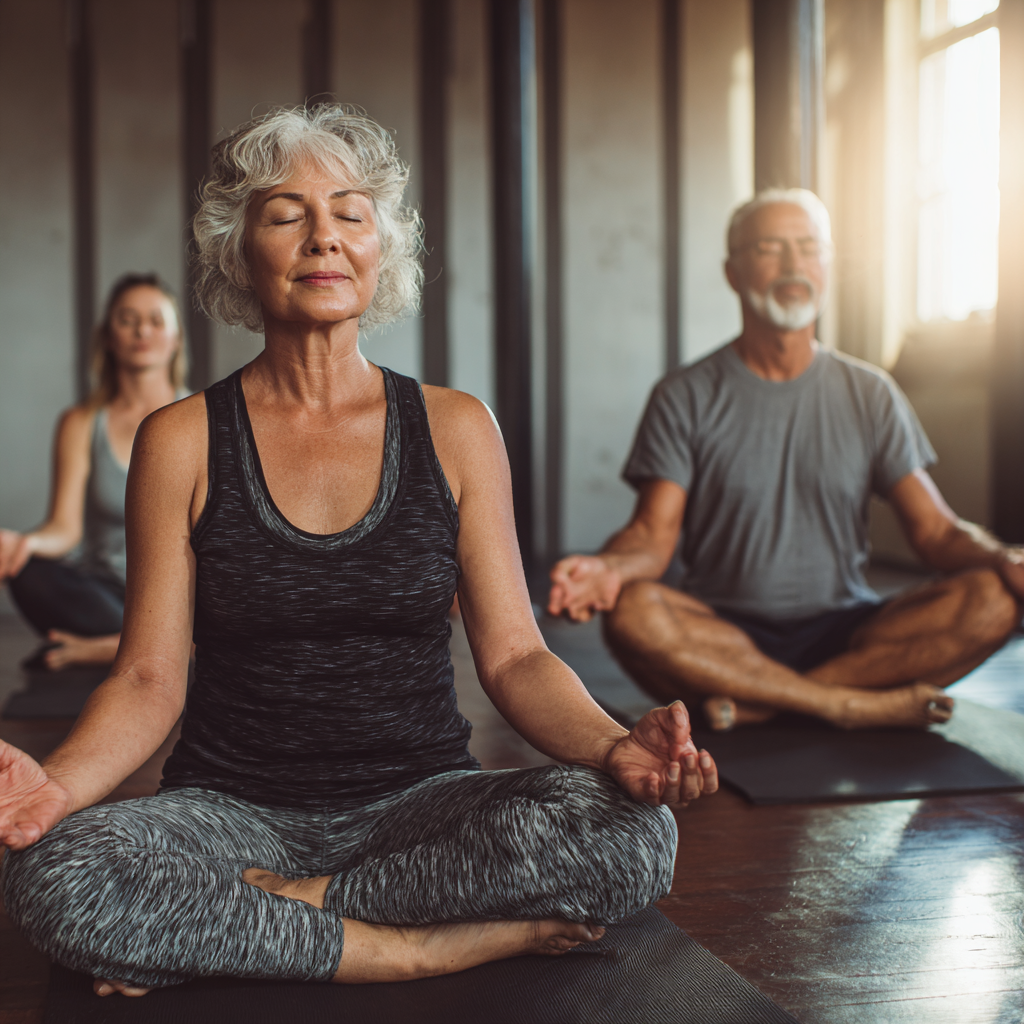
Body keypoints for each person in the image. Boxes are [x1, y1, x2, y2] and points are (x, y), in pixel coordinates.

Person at [0, 105, 718, 996]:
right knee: (56, 872)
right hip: (234, 815)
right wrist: (54, 792)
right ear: (239, 250)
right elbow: (149, 678)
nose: (323, 238)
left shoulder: (456, 428)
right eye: (286, 214)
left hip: (422, 805)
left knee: (632, 834)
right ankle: (417, 947)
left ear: (382, 250)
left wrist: (618, 751)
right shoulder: (180, 439)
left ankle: (284, 914)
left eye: (349, 212)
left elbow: (517, 656)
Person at [548, 189, 1023, 732]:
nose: (794, 265)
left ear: (828, 265)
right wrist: (608, 569)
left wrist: (1004, 559)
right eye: (770, 248)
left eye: (810, 248)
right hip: (723, 634)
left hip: (849, 629)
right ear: (733, 271)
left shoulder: (871, 392)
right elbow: (652, 536)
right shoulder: (685, 394)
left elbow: (936, 533)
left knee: (992, 600)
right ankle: (844, 703)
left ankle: (766, 702)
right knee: (633, 613)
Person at [0, 274, 188, 670]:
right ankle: (153, 650)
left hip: (180, 598)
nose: (142, 330)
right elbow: (65, 528)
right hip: (106, 595)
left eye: (156, 320)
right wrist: (25, 544)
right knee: (28, 573)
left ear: (176, 338)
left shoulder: (202, 416)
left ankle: (100, 650)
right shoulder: (81, 422)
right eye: (127, 319)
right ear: (108, 336)